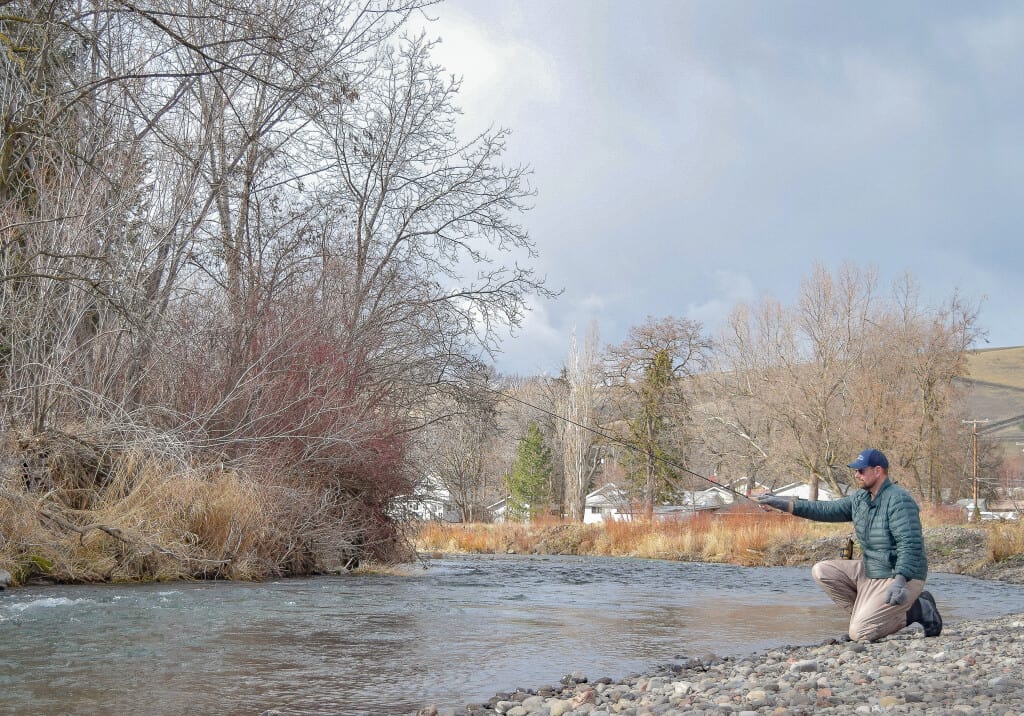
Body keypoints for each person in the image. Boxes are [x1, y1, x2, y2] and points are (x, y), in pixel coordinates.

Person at [758, 448, 943, 642]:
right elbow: (825, 509)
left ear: (878, 471)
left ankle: (919, 609)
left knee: (860, 634)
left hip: (900, 577)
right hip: (872, 571)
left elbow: (910, 545)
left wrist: (900, 581)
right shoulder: (860, 499)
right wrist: (783, 503)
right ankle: (867, 618)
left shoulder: (899, 500)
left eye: (861, 471)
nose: (856, 475)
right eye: (856, 471)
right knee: (822, 570)